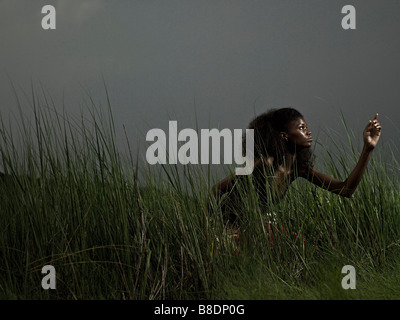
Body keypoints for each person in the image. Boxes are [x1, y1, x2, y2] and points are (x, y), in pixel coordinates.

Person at [210, 107, 382, 227]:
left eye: (306, 127)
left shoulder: (300, 170)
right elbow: (216, 190)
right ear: (284, 136)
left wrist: (368, 149)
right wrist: (210, 225)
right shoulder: (264, 164)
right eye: (301, 128)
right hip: (230, 229)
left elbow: (346, 190)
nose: (308, 132)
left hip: (255, 230)